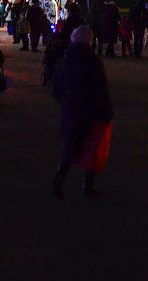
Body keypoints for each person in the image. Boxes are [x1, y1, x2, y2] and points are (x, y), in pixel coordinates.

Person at [52, 26, 112, 198]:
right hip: (91, 110)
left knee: (70, 144)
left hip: (70, 108)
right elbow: (101, 89)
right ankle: (88, 184)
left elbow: (57, 88)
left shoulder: (64, 61)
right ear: (90, 41)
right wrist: (105, 112)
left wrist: (64, 102)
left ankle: (60, 175)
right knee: (93, 147)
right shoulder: (93, 62)